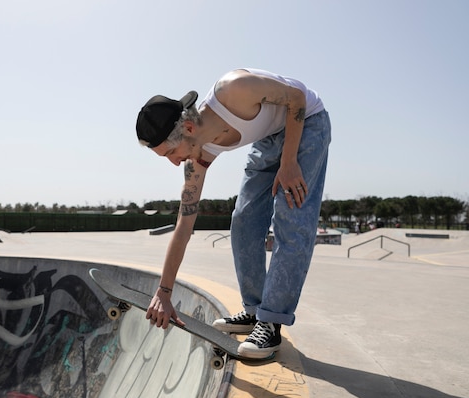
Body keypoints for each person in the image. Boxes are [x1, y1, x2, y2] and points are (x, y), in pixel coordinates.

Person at [135, 68, 331, 358]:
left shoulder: (234, 90)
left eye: (170, 154)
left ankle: (272, 320)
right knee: (243, 221)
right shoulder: (196, 160)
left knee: (291, 219)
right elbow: (183, 227)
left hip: (307, 123)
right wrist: (163, 292)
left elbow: (297, 98)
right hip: (269, 137)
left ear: (188, 129)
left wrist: (288, 162)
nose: (175, 164)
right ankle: (254, 311)